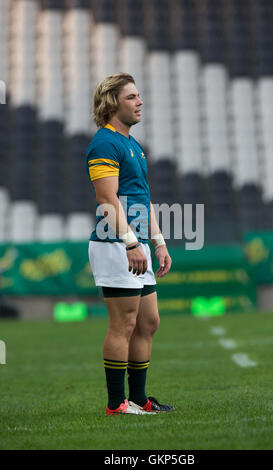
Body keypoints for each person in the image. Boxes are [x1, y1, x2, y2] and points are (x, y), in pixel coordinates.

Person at [86, 73, 174, 415]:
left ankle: (139, 400)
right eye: (131, 97)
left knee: (148, 322)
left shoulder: (133, 145)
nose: (139, 102)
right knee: (123, 323)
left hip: (136, 244)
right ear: (112, 103)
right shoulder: (105, 143)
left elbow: (142, 199)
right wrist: (130, 243)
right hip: (115, 245)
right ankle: (116, 404)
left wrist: (159, 243)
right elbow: (107, 199)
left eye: (139, 96)